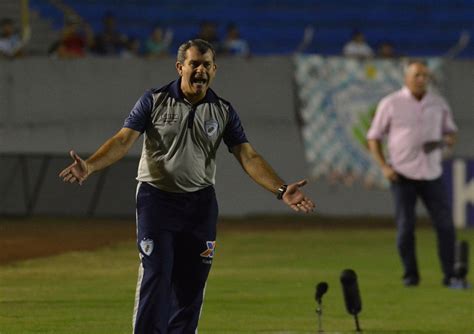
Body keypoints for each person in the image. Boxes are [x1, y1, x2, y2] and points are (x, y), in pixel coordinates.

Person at [59, 39, 315, 333]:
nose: (200, 70)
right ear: (180, 67)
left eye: (207, 65)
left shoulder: (223, 111)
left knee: (192, 283)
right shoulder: (153, 100)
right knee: (157, 273)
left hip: (200, 205)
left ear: (215, 70)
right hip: (156, 200)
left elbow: (248, 155)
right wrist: (90, 165)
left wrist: (281, 190)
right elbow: (122, 140)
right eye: (194, 64)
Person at [367, 59, 458, 288]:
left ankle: (450, 275)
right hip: (402, 174)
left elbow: (451, 133)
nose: (421, 80)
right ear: (406, 78)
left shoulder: (438, 104)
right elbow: (373, 137)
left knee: (445, 226)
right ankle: (411, 275)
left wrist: (446, 143)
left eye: (425, 76)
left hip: (431, 173)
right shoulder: (391, 103)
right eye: (417, 75)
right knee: (406, 228)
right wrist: (384, 167)